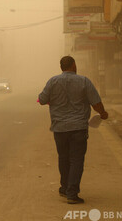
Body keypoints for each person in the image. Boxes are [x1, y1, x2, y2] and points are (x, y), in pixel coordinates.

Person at [38, 56, 108, 204]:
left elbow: (42, 100)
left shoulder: (53, 81)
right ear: (74, 65)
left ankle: (64, 188)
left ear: (61, 67)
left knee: (63, 158)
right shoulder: (84, 81)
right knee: (76, 160)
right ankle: (72, 193)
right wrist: (103, 114)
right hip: (78, 128)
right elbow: (96, 102)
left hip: (60, 128)